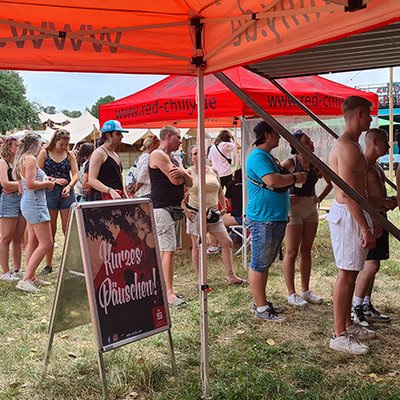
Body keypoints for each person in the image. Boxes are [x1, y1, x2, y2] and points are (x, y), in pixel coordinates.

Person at [326, 96, 377, 355]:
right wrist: (364, 227)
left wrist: (371, 218)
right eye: (368, 113)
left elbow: (360, 188)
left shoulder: (353, 145)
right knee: (346, 274)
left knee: (353, 271)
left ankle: (347, 324)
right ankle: (339, 335)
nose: (371, 118)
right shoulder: (346, 146)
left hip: (355, 213)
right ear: (358, 114)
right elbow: (347, 193)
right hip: (348, 214)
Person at [246, 121, 306, 322]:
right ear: (267, 135)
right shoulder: (258, 156)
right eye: (276, 133)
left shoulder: (266, 156)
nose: (279, 136)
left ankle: (261, 302)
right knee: (259, 263)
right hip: (263, 218)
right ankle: (261, 308)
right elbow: (272, 180)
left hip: (272, 217)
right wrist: (295, 178)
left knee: (264, 263)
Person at [281, 130, 332, 307]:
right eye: (307, 141)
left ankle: (306, 290)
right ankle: (291, 293)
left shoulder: (315, 163)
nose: (312, 143)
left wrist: (320, 198)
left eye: (310, 140)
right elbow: (274, 182)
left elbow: (330, 182)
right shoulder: (290, 163)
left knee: (306, 250)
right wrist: (286, 196)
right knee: (291, 251)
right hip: (293, 210)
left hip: (310, 208)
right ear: (297, 146)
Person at [352, 129, 397, 326]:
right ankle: (356, 308)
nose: (389, 145)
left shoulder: (375, 166)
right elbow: (359, 198)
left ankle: (366, 304)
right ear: (375, 142)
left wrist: (387, 202)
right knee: (370, 265)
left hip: (380, 216)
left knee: (374, 264)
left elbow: (376, 195)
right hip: (371, 219)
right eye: (386, 141)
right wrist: (380, 209)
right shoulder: (362, 166)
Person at [183, 146, 246, 285]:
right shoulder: (188, 173)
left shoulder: (213, 171)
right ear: (191, 157)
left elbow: (220, 191)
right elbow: (181, 195)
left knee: (227, 242)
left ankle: (232, 276)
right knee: (198, 246)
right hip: (196, 213)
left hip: (213, 214)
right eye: (194, 154)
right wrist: (185, 210)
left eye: (200, 153)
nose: (198, 156)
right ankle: (201, 279)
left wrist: (224, 207)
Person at [149, 126, 193, 307]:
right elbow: (177, 180)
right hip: (161, 208)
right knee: (168, 249)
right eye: (178, 137)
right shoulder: (158, 154)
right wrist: (183, 174)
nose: (181, 141)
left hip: (171, 209)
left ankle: (163, 289)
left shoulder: (174, 157)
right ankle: (168, 294)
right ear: (168, 136)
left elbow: (190, 182)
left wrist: (183, 174)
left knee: (166, 250)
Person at [13, 133, 55, 292]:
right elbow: (30, 184)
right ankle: (25, 279)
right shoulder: (30, 159)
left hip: (29, 202)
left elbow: (22, 186)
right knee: (47, 243)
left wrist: (44, 180)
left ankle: (31, 276)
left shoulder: (22, 159)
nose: (41, 147)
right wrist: (47, 184)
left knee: (34, 241)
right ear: (34, 145)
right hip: (35, 204)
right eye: (40, 144)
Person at [38, 129, 79, 275]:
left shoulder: (70, 155)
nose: (64, 147)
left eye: (66, 144)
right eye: (61, 144)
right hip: (49, 192)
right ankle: (48, 264)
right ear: (55, 141)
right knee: (51, 229)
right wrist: (54, 180)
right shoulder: (44, 153)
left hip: (66, 193)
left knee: (68, 229)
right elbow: (39, 174)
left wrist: (69, 186)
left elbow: (76, 174)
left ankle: (71, 262)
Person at [0, 136, 26, 281]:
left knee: (18, 237)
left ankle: (17, 269)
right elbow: (5, 184)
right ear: (10, 147)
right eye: (17, 145)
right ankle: (5, 272)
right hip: (9, 201)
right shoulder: (2, 162)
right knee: (6, 237)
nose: (20, 148)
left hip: (21, 199)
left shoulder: (19, 162)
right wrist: (22, 184)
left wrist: (16, 185)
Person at [88, 120, 128, 200]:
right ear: (108, 135)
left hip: (116, 198)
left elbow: (119, 178)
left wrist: (125, 195)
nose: (121, 136)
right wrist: (110, 191)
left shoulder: (115, 154)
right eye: (118, 133)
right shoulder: (99, 153)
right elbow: (92, 180)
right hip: (102, 199)